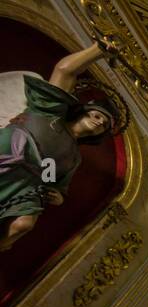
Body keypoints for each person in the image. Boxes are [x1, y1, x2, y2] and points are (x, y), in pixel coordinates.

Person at [1, 41, 121, 252]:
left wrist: (57, 197)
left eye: (104, 125)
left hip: (28, 182)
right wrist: (98, 50)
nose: (99, 122)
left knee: (24, 224)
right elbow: (64, 70)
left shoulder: (74, 157)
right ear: (84, 111)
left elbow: (53, 181)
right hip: (7, 152)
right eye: (97, 115)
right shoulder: (51, 110)